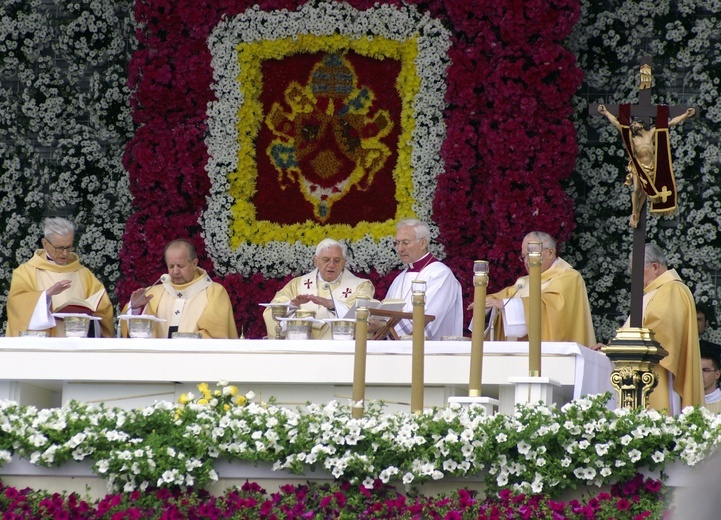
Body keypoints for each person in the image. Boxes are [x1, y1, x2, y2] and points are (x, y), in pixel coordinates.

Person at [621, 243, 703, 413]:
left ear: (655, 267)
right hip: (641, 371)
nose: (634, 278)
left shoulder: (672, 288)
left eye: (636, 272)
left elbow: (661, 332)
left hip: (658, 373)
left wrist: (617, 345)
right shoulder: (657, 291)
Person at [480, 231, 596, 348]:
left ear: (550, 252)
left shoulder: (569, 277)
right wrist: (486, 307)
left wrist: (507, 306)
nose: (526, 261)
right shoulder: (524, 282)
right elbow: (501, 298)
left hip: (554, 356)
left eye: (531, 254)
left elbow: (553, 306)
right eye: (524, 256)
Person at [6, 217, 114, 337]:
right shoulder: (26, 272)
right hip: (43, 347)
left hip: (78, 345)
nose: (65, 253)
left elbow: (104, 310)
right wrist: (45, 296)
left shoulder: (83, 274)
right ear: (45, 244)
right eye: (59, 248)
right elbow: (16, 305)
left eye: (69, 247)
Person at [597, 105, 695, 228]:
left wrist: (685, 114)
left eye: (634, 124)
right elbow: (617, 124)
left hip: (651, 167)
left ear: (641, 124)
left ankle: (637, 213)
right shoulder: (633, 139)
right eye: (632, 126)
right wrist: (606, 112)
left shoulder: (652, 132)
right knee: (637, 189)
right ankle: (634, 212)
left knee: (645, 193)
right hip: (638, 166)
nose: (633, 127)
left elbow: (671, 123)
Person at [263, 239, 374, 339]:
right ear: (316, 261)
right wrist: (292, 305)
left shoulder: (361, 286)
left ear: (344, 262)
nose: (331, 265)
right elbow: (271, 311)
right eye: (326, 259)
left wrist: (331, 304)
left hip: (339, 351)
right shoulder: (296, 284)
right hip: (300, 351)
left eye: (337, 260)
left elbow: (363, 316)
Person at [125, 239, 237, 339]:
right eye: (171, 266)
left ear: (194, 263)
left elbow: (215, 333)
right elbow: (136, 335)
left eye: (180, 266)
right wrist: (136, 309)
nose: (175, 271)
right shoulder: (152, 293)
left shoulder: (214, 292)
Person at [382, 219, 462, 340]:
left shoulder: (440, 274)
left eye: (405, 243)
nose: (400, 249)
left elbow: (428, 318)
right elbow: (386, 313)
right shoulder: (400, 278)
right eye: (397, 243)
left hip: (431, 352)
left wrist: (383, 328)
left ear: (423, 243)